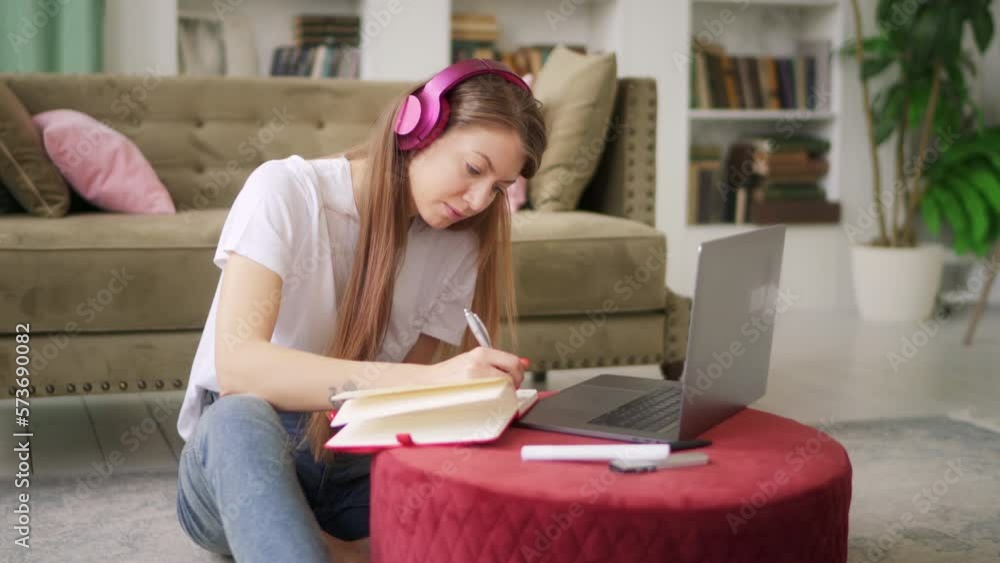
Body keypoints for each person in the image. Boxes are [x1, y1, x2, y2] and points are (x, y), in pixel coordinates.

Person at [173, 59, 547, 563]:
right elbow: (240, 368)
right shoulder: (285, 190)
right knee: (238, 417)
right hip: (241, 464)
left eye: (498, 188)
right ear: (416, 128)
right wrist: (435, 380)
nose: (480, 200)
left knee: (494, 508)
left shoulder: (456, 246)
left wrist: (470, 401)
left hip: (352, 466)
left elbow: (404, 411)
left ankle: (337, 547)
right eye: (474, 169)